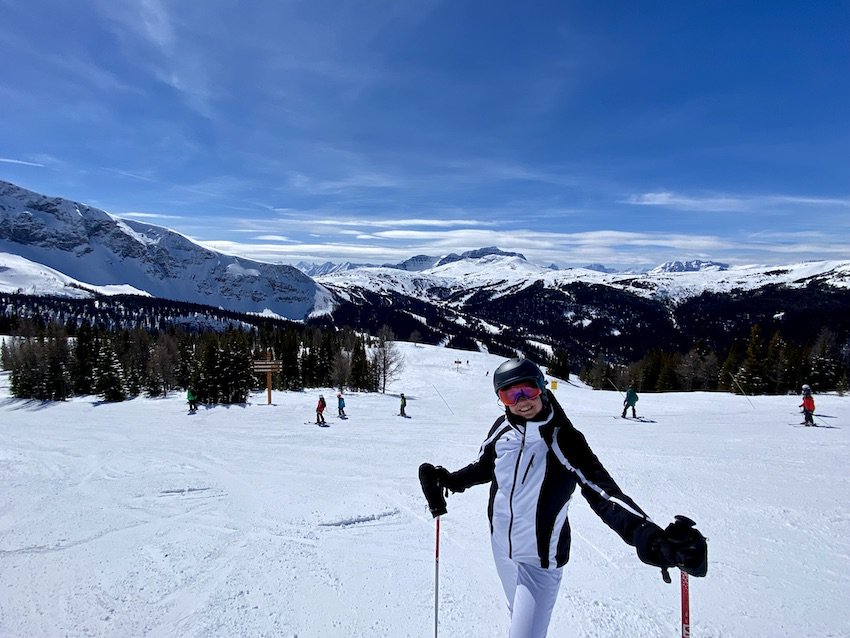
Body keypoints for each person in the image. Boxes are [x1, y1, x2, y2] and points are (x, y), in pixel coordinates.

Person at [419, 358, 707, 638]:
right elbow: (485, 466)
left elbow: (603, 493)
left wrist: (649, 536)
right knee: (517, 617)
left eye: (528, 390)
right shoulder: (501, 429)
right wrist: (450, 480)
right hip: (502, 550)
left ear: (542, 388)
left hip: (540, 561)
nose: (521, 400)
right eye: (510, 394)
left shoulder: (564, 440)